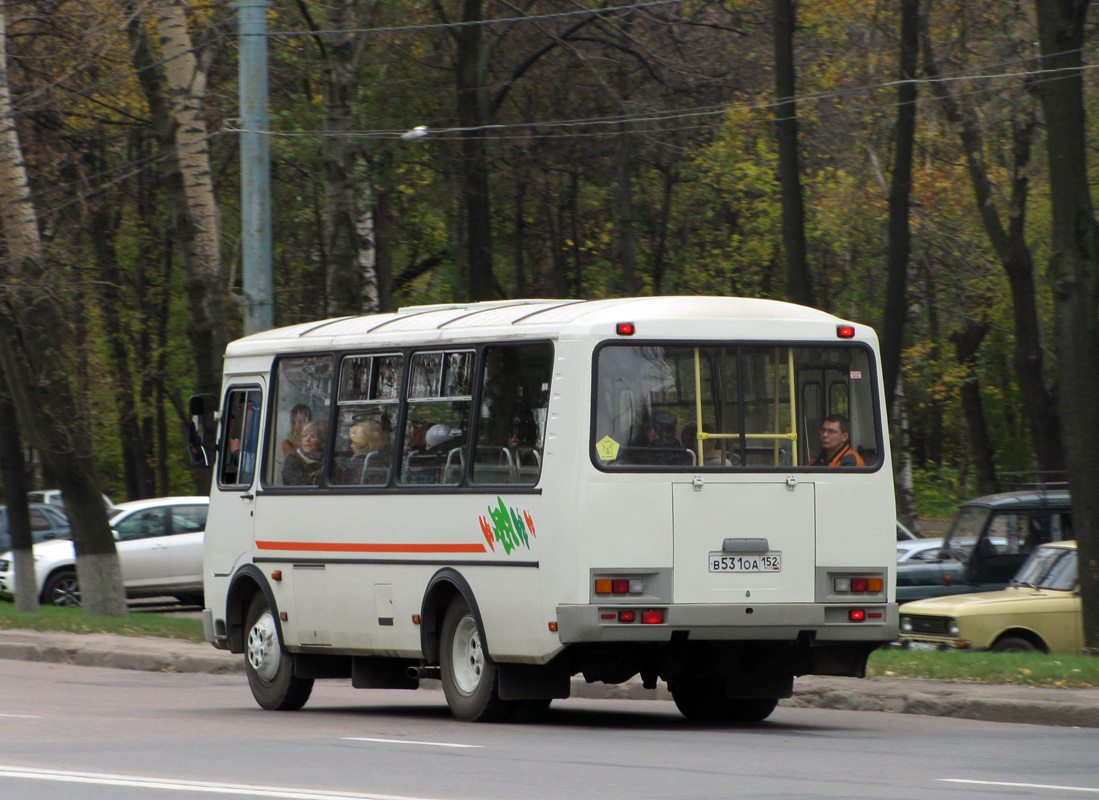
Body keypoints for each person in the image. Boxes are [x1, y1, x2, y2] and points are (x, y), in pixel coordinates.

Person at [282, 419, 327, 485]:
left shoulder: (327, 460)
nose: (307, 439)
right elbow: (295, 484)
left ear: (321, 442)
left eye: (313, 436)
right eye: (304, 435)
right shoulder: (292, 458)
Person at [278, 403, 313, 473]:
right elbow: (296, 466)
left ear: (310, 423)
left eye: (301, 422)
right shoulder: (287, 444)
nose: (297, 427)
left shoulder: (315, 442)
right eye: (293, 422)